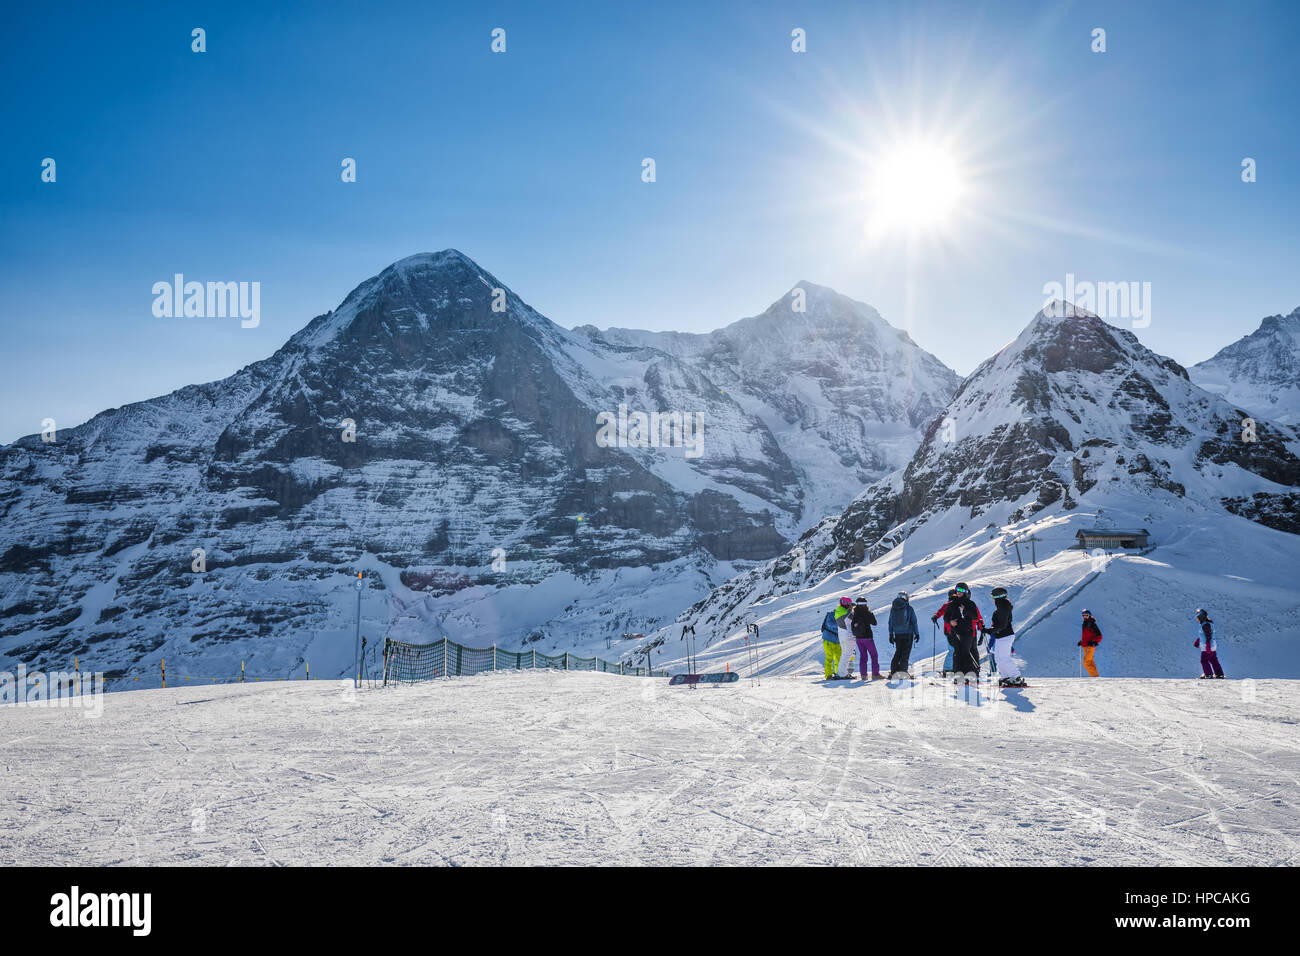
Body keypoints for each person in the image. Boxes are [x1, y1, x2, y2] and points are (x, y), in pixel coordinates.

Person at [944, 582, 983, 681]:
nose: (959, 592)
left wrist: (965, 610)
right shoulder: (952, 604)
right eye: (958, 590)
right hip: (956, 632)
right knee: (957, 653)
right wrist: (950, 622)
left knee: (966, 651)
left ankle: (970, 674)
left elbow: (975, 616)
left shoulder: (970, 603)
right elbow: (946, 617)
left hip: (967, 631)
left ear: (966, 592)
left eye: (962, 590)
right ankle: (958, 674)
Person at [987, 586, 1025, 687]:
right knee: (998, 658)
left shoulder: (1003, 607)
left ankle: (1016, 676)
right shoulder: (1002, 607)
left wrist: (990, 630)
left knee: (1003, 657)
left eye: (993, 596)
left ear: (997, 597)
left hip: (1005, 635)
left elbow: (1002, 625)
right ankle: (1006, 676)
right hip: (1001, 636)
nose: (993, 599)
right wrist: (990, 630)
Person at [887, 591, 920, 678]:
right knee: (905, 654)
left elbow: (890, 622)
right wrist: (917, 633)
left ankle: (894, 672)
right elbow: (914, 622)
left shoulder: (893, 608)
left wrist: (891, 634)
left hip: (897, 634)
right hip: (908, 634)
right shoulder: (909, 608)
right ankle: (903, 673)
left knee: (898, 653)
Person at [852, 597, 882, 679]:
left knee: (863, 657)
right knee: (874, 655)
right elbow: (874, 623)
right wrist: (870, 614)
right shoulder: (867, 613)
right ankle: (875, 674)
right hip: (867, 638)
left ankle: (863, 675)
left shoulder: (855, 614)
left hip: (858, 638)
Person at [932, 589, 957, 675]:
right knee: (952, 649)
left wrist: (936, 616)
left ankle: (952, 668)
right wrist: (936, 615)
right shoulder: (947, 605)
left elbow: (939, 612)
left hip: (954, 631)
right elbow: (940, 611)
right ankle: (947, 669)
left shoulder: (957, 604)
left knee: (955, 650)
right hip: (950, 631)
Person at [1194, 608, 1224, 679]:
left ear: (1201, 617)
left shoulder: (1205, 625)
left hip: (1207, 647)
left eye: (1197, 618)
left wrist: (1207, 646)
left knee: (1204, 661)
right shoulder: (1208, 624)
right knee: (1213, 660)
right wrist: (1198, 641)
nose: (1197, 619)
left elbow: (1208, 635)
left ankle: (1208, 674)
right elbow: (1205, 634)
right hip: (1212, 646)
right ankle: (1219, 674)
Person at [820, 600, 845, 679]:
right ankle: (828, 675)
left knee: (838, 658)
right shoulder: (831, 615)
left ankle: (838, 674)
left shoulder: (843, 617)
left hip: (837, 640)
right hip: (828, 639)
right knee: (829, 657)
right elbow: (829, 624)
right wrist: (840, 628)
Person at [835, 596, 856, 678]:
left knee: (844, 654)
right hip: (848, 636)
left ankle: (841, 673)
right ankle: (842, 674)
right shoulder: (847, 614)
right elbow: (853, 617)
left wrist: (850, 609)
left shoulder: (839, 611)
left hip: (842, 636)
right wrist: (852, 609)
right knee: (847, 655)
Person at [1079, 609, 1102, 677]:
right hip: (1085, 646)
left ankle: (1094, 676)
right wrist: (1082, 642)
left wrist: (1094, 642)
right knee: (1090, 662)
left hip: (1090, 646)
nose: (1084, 617)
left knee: (1086, 662)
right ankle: (1095, 676)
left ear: (1089, 616)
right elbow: (1087, 635)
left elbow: (1099, 635)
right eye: (1083, 616)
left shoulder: (1091, 624)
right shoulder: (1085, 624)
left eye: (1086, 615)